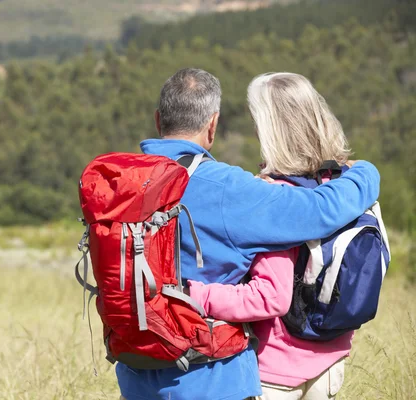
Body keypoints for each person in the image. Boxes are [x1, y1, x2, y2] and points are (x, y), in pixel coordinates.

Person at [115, 68, 380, 400]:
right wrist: (367, 173)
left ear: (158, 120)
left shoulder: (119, 184)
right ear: (212, 124)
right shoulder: (230, 190)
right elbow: (319, 210)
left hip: (136, 367)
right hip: (210, 376)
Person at [187, 72, 361, 400]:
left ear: (270, 129)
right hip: (331, 361)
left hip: (277, 371)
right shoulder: (343, 185)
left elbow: (270, 297)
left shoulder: (274, 198)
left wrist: (193, 293)